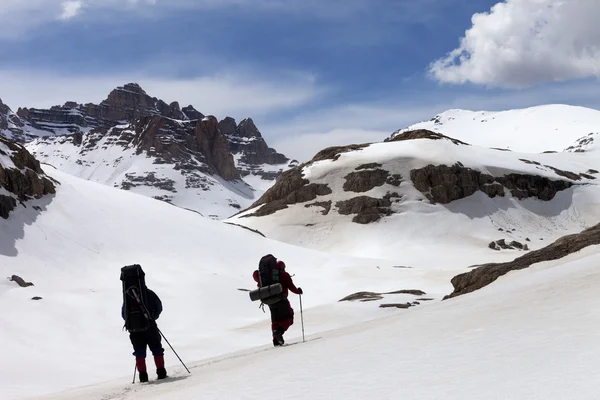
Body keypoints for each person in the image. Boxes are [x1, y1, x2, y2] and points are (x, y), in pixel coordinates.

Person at [253, 256, 303, 346]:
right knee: (289, 317)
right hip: (281, 299)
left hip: (269, 300)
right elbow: (291, 287)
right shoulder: (284, 275)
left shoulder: (264, 277)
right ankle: (279, 332)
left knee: (275, 321)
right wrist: (298, 291)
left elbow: (255, 274)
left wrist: (261, 274)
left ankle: (275, 340)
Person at [121, 283, 167, 382]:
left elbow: (124, 313)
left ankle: (143, 377)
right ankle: (161, 373)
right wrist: (152, 318)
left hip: (134, 330)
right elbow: (159, 307)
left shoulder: (127, 296)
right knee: (156, 349)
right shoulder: (148, 294)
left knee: (139, 353)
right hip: (150, 326)